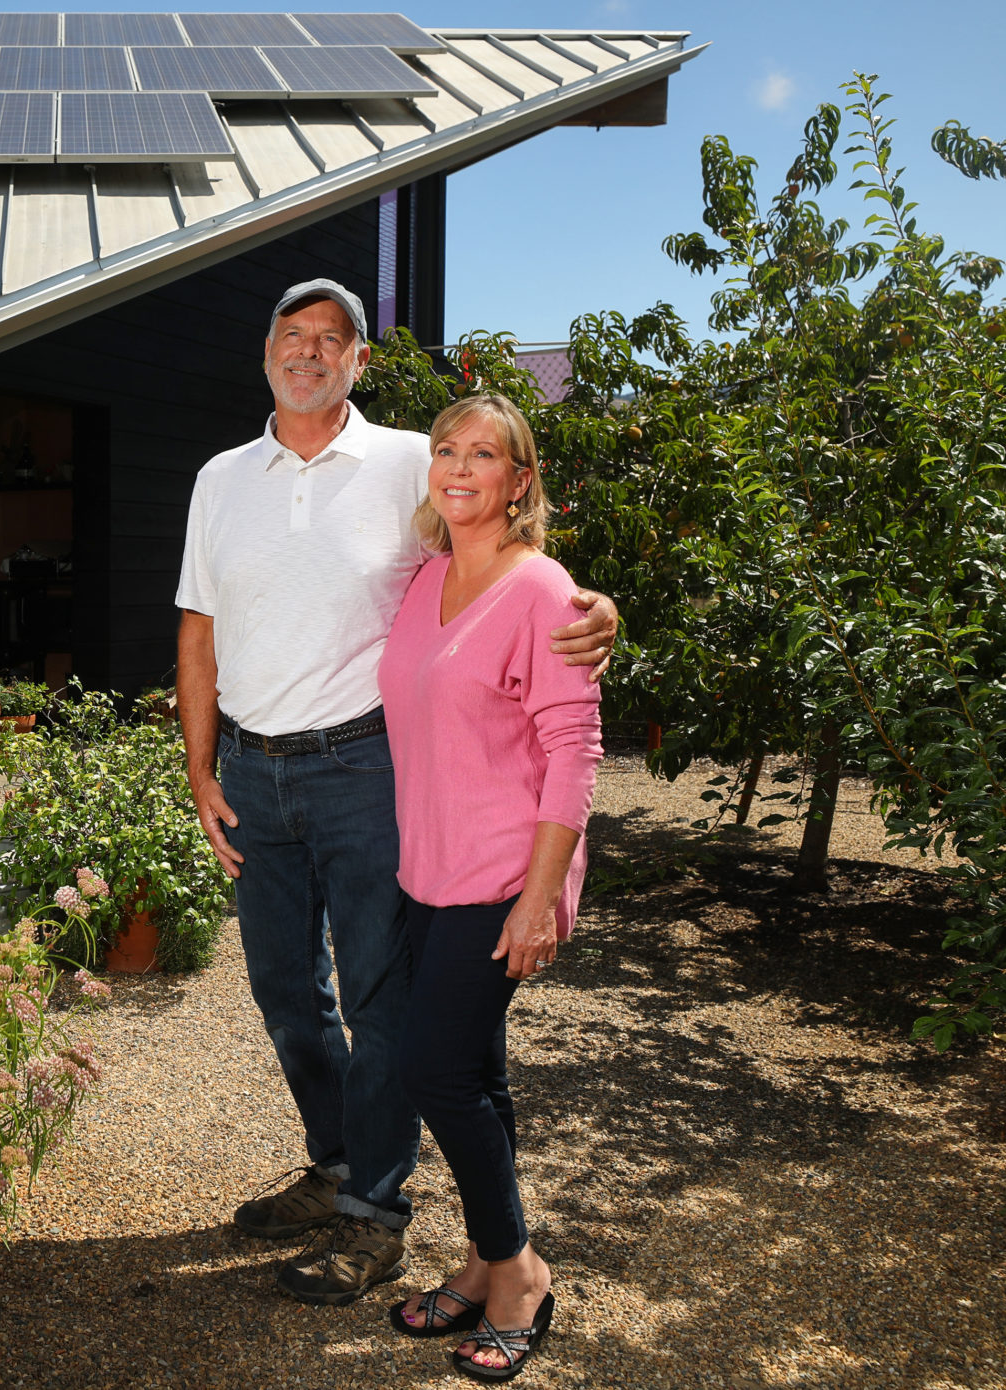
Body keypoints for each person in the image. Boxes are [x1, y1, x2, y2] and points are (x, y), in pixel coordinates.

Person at [174, 280, 616, 1306]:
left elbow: (515, 556)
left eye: (332, 338)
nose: (309, 351)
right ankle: (334, 1163)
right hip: (250, 769)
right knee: (286, 995)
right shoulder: (216, 478)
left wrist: (601, 608)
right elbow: (196, 630)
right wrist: (197, 768)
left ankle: (373, 1209)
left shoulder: (408, 459)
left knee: (379, 1001)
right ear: (267, 349)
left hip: (363, 771)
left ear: (358, 363)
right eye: (292, 334)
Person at [382, 393, 601, 1381]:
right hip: (426, 869)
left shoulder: (542, 590)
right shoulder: (424, 575)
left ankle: (517, 1273)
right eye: (445, 449)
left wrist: (537, 897)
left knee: (431, 1070)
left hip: (503, 873)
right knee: (474, 1072)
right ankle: (478, 1261)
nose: (458, 466)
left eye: (484, 454)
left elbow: (573, 755)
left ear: (519, 482)